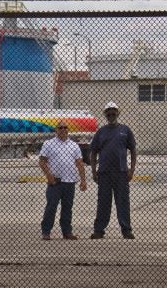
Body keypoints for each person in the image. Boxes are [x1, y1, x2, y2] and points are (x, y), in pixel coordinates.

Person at [89, 101, 137, 240]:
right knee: (103, 202)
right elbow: (93, 153)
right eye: (108, 113)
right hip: (104, 173)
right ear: (105, 115)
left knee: (123, 202)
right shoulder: (101, 132)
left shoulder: (125, 130)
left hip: (121, 173)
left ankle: (126, 230)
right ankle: (99, 230)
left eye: (113, 112)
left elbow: (133, 150)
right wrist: (93, 171)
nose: (111, 115)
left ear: (118, 113)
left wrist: (131, 170)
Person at [38, 120, 87, 240]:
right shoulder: (48, 144)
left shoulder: (74, 145)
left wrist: (83, 180)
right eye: (60, 128)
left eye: (65, 127)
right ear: (56, 130)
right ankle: (46, 231)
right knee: (51, 207)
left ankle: (67, 232)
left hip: (70, 182)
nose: (63, 129)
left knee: (67, 208)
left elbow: (79, 163)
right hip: (55, 181)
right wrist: (49, 175)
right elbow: (42, 161)